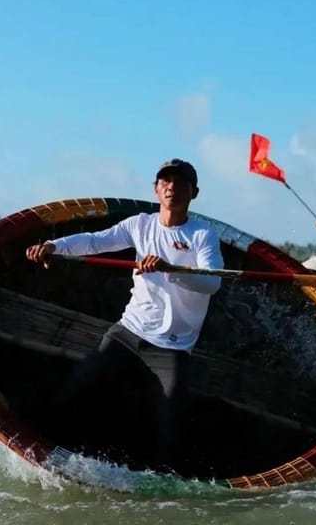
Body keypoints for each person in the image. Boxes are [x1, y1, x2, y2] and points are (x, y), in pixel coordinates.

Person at [26, 158, 223, 472]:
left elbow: (212, 282)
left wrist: (171, 270)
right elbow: (94, 241)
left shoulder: (202, 235)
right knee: (80, 385)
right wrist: (53, 245)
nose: (172, 187)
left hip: (172, 346)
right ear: (157, 190)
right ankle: (58, 453)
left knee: (170, 420)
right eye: (166, 181)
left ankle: (163, 482)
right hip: (129, 332)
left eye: (181, 182)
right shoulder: (140, 224)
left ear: (194, 192)